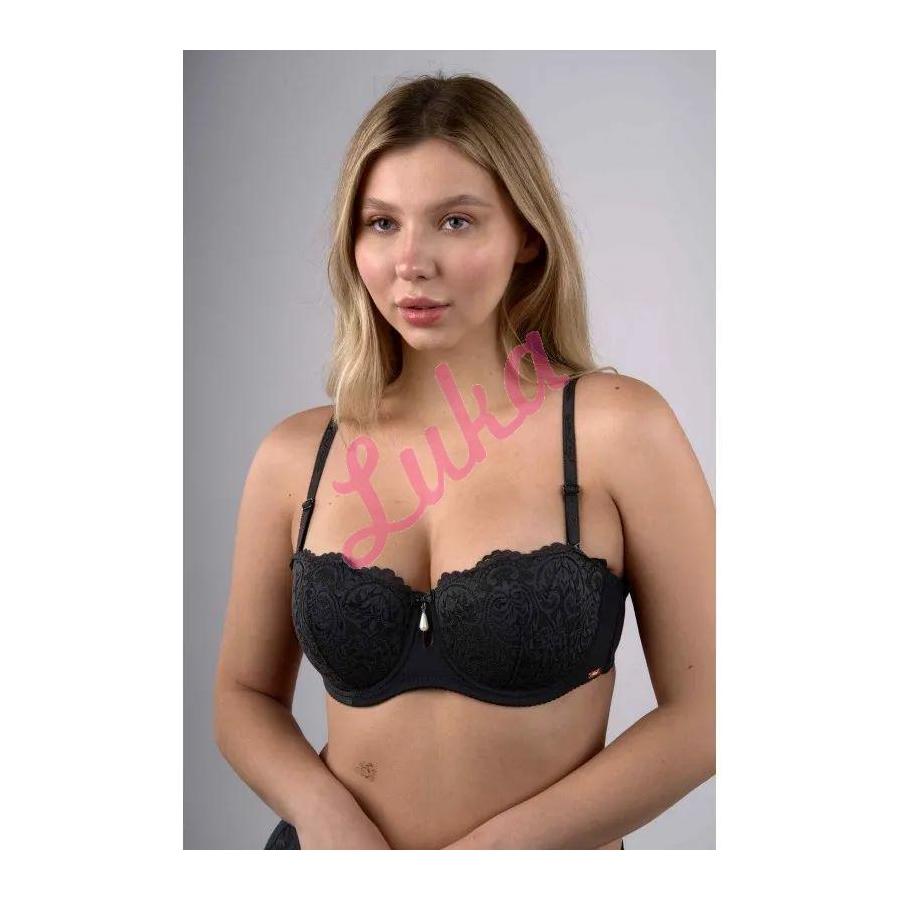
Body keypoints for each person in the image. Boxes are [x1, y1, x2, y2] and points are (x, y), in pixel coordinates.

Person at [213, 72, 715, 850]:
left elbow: (712, 713)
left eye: (454, 221)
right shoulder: (296, 457)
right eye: (382, 223)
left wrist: (494, 857)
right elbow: (243, 696)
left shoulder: (618, 430)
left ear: (527, 235)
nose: (411, 262)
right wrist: (324, 814)